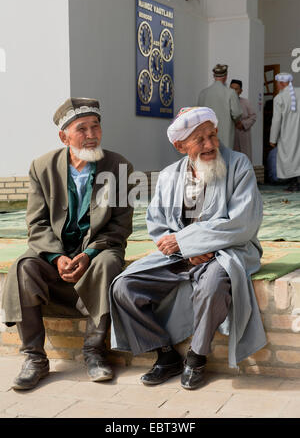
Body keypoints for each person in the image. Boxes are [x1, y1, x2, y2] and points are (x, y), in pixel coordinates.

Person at [110, 106, 266, 390]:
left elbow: (243, 223)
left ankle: (197, 355)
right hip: (181, 256)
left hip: (227, 251)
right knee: (124, 287)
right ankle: (165, 353)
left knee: (214, 283)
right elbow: (157, 225)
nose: (210, 145)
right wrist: (186, 249)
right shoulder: (169, 176)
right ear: (181, 146)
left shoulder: (239, 164)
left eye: (212, 135)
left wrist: (189, 242)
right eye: (200, 139)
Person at [1, 97, 133, 390]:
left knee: (110, 263)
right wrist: (55, 257)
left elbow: (121, 225)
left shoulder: (119, 165)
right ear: (64, 136)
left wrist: (88, 254)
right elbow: (37, 224)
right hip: (54, 255)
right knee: (23, 267)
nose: (91, 135)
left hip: (97, 252)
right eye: (82, 129)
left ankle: (94, 352)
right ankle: (34, 358)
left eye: (95, 127)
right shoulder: (42, 167)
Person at [197, 64, 242, 149]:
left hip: (207, 135)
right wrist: (237, 121)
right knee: (224, 159)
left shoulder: (203, 93)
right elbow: (237, 113)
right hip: (225, 136)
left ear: (214, 76)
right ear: (225, 76)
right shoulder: (230, 93)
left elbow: (198, 116)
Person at [269, 72, 300, 192]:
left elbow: (276, 120)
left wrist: (273, 139)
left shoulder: (279, 98)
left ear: (281, 83)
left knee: (290, 157)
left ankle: (294, 183)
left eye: (277, 83)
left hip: (288, 133)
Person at [230, 79, 256, 161]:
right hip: (231, 134)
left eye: (236, 89)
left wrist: (243, 124)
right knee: (231, 158)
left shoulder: (246, 102)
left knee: (244, 158)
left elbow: (253, 116)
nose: (233, 91)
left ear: (241, 91)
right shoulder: (225, 102)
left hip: (243, 133)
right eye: (231, 88)